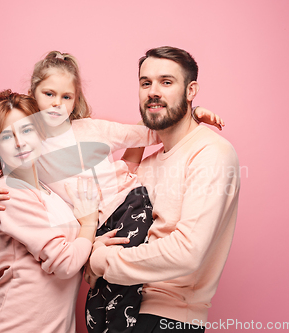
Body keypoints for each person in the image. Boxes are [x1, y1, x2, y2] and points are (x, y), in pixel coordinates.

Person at [0, 52, 225, 333]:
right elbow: (5, 136)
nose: (57, 103)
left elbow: (149, 131)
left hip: (127, 204)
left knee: (124, 283)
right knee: (97, 299)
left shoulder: (91, 129)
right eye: (48, 94)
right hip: (96, 225)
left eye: (66, 97)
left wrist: (192, 114)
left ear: (76, 99)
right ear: (34, 97)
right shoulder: (34, 151)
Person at [86, 46, 240, 333]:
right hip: (119, 309)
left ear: (191, 90)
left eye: (166, 82)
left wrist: (101, 261)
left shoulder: (211, 154)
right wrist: (94, 248)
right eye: (146, 83)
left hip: (167, 319)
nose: (153, 91)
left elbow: (186, 252)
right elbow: (108, 212)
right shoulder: (149, 163)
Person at [0, 90, 118, 333]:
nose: (20, 142)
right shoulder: (7, 194)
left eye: (27, 130)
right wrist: (89, 225)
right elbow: (64, 263)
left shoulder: (48, 191)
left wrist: (92, 243)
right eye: (7, 136)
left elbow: (68, 248)